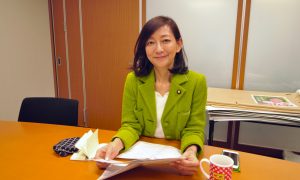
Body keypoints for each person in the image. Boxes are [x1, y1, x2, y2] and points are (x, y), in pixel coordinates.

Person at [95, 16, 207, 176]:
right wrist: (114, 145)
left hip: (174, 165)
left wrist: (191, 151)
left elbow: (194, 129)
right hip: (139, 165)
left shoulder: (197, 82)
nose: (158, 49)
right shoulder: (133, 80)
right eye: (150, 42)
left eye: (165, 40)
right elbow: (130, 125)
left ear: (179, 44)